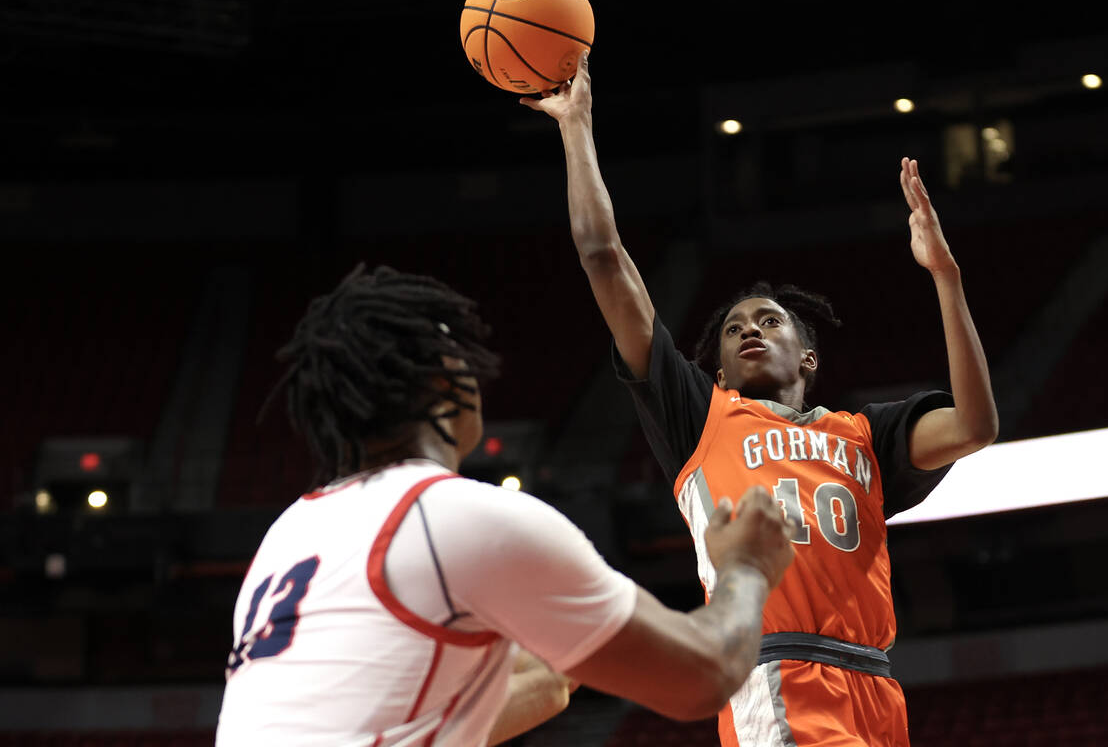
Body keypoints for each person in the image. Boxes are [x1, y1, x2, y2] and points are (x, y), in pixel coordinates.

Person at [522, 51, 999, 746]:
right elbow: (603, 255)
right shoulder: (701, 417)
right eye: (734, 330)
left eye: (769, 320)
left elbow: (977, 425)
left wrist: (947, 279)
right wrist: (576, 125)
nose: (749, 329)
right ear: (715, 372)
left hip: (875, 686)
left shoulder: (865, 435)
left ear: (808, 355)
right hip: (776, 678)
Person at [214, 265, 797, 747]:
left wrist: (575, 650)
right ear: (446, 382)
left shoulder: (293, 528)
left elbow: (527, 688)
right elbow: (702, 676)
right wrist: (744, 568)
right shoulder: (462, 517)